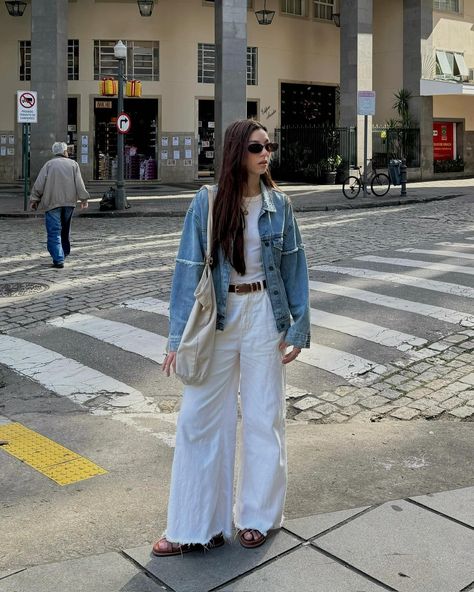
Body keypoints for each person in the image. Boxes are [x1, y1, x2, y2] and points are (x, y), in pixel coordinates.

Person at [153, 119, 310, 556]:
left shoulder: (280, 205)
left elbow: (296, 269)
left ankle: (258, 517)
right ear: (236, 152)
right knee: (198, 418)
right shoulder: (208, 203)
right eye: (258, 147)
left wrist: (298, 327)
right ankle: (193, 526)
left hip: (265, 313)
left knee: (264, 416)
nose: (266, 154)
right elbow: (187, 268)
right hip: (217, 316)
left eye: (270, 146)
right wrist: (175, 337)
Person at [30, 141, 89, 269]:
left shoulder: (48, 165)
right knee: (65, 229)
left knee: (54, 231)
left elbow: (39, 184)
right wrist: (84, 199)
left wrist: (34, 199)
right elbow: (79, 183)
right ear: (64, 152)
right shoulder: (74, 164)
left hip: (52, 203)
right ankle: (64, 252)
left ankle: (58, 259)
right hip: (69, 203)